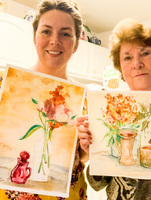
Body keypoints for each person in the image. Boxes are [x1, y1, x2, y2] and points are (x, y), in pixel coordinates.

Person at [77, 18, 151, 199]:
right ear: (121, 68)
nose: (136, 64)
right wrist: (94, 151)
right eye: (127, 57)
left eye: (145, 53)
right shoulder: (113, 110)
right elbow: (97, 183)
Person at [0, 0, 87, 199]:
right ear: (35, 37)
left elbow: (80, 158)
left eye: (65, 34)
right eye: (46, 31)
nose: (55, 40)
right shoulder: (5, 84)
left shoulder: (85, 97)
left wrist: (87, 149)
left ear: (76, 45)